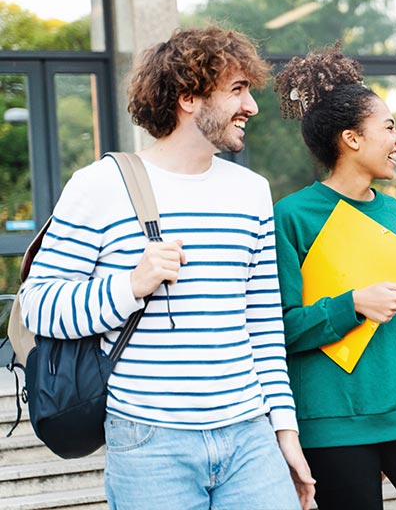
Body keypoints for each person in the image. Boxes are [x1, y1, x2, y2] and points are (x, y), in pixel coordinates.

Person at [19, 27, 315, 509]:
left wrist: (284, 431)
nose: (252, 107)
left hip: (249, 438)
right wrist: (129, 285)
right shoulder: (99, 185)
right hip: (150, 442)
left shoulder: (252, 191)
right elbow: (38, 305)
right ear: (189, 97)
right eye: (237, 90)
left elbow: (262, 325)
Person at [271, 45, 396, 510]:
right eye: (388, 127)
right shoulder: (291, 217)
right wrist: (352, 303)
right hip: (332, 419)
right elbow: (278, 327)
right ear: (351, 139)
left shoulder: (392, 213)